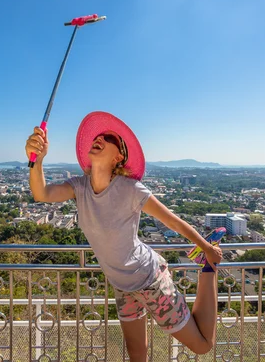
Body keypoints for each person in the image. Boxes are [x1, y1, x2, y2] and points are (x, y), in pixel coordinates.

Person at [25, 111, 224, 361]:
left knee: (202, 346)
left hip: (149, 279)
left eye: (108, 137)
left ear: (118, 156)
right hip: (121, 285)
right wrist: (38, 160)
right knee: (136, 354)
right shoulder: (79, 187)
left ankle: (207, 269)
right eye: (97, 136)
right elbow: (41, 193)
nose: (99, 137)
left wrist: (206, 247)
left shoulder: (130, 189)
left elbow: (172, 220)